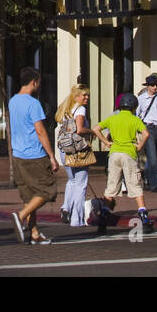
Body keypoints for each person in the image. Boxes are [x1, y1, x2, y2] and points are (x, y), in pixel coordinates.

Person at [8, 67, 60, 245]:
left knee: (29, 196)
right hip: (34, 155)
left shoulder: (13, 101)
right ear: (34, 82)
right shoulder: (33, 103)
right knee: (48, 190)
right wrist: (51, 156)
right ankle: (20, 216)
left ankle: (34, 233)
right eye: (38, 83)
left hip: (18, 155)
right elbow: (40, 130)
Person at [96, 92, 151, 228]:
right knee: (135, 185)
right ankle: (143, 215)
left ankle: (103, 215)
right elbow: (146, 133)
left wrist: (106, 142)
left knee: (111, 185)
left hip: (114, 153)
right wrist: (140, 146)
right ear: (133, 107)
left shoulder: (113, 118)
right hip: (129, 153)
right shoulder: (135, 119)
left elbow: (96, 129)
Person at [54, 83, 102, 227]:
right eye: (84, 95)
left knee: (72, 181)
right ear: (76, 96)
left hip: (64, 150)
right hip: (77, 151)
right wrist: (92, 132)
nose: (87, 97)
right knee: (81, 184)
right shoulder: (80, 109)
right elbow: (80, 130)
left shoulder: (67, 108)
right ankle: (77, 219)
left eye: (87, 95)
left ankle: (66, 208)